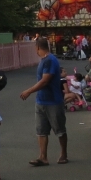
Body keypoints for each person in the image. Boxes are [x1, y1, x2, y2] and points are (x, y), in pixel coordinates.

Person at [19, 37, 68, 166]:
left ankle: (63, 154)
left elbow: (45, 80)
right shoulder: (44, 60)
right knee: (41, 130)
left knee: (59, 129)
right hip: (41, 101)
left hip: (53, 101)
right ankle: (42, 157)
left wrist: (29, 91)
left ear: (37, 48)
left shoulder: (50, 60)